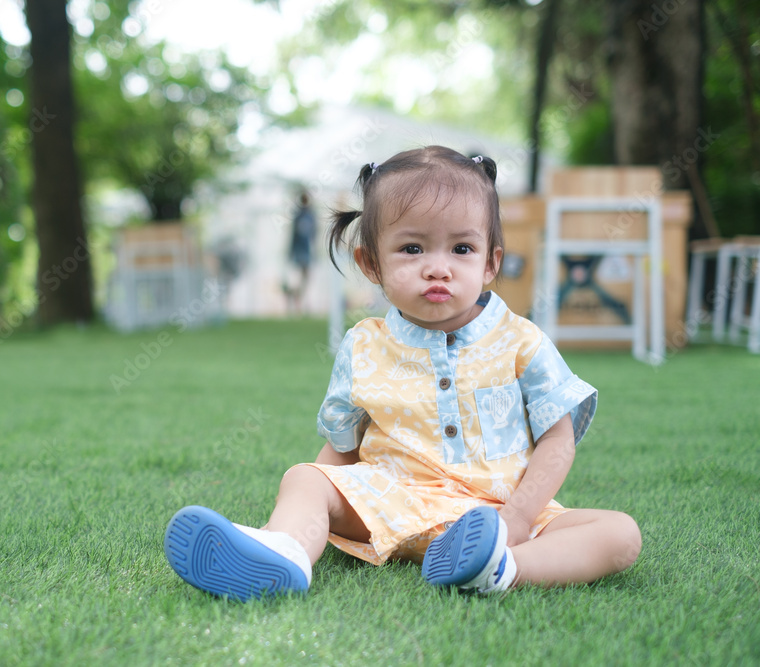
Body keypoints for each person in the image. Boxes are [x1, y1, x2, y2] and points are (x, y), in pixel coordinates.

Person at [164, 146, 642, 600]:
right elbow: (343, 447)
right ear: (371, 264)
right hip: (393, 504)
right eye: (412, 249)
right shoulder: (365, 345)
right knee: (305, 478)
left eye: (461, 248)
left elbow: (558, 439)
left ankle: (501, 568)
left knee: (619, 534)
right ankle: (284, 550)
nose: (438, 268)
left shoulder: (521, 340)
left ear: (491, 262)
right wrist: (320, 503)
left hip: (497, 516)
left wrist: (516, 521)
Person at [284, 190, 316, 314]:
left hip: (303, 251)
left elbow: (312, 235)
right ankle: (297, 300)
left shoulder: (307, 215)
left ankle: (297, 299)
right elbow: (300, 235)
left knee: (304, 278)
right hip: (302, 251)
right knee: (303, 278)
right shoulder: (305, 216)